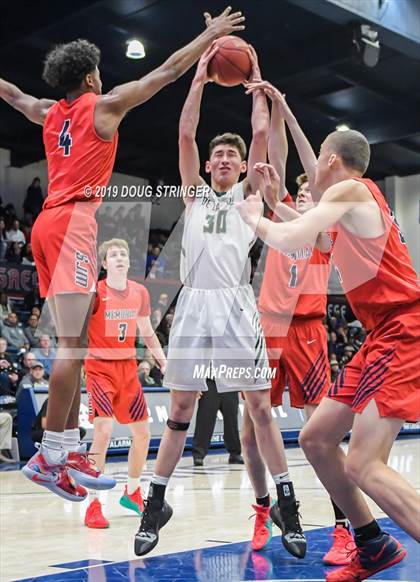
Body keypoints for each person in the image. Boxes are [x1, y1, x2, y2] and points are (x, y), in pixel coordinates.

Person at [0, 6, 244, 501]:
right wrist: (209, 35)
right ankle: (51, 455)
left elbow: (13, 93)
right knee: (73, 348)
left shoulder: (50, 112)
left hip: (48, 225)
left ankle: (65, 450)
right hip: (74, 222)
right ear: (90, 74)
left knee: (76, 341)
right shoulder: (103, 106)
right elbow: (167, 71)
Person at [238, 81, 420, 581]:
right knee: (317, 437)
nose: (313, 165)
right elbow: (303, 222)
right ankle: (373, 544)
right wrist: (285, 115)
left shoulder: (351, 190)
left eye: (319, 157)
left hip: (404, 330)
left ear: (333, 160)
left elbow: (291, 232)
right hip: (382, 334)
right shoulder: (349, 205)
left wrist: (253, 215)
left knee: (364, 464)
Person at [135, 43, 306, 560]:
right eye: (220, 155)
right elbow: (186, 133)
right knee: (181, 408)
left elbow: (259, 133)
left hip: (234, 305)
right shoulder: (194, 193)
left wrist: (254, 76)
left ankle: (286, 502)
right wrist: (199, 82)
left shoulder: (248, 196)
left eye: (234, 155)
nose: (227, 158)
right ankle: (156, 504)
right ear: (209, 165)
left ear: (242, 166)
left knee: (258, 408)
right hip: (192, 306)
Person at [245, 97, 352, 564]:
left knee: (318, 433)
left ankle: (345, 524)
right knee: (251, 431)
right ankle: (263, 509)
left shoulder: (326, 233)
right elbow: (280, 156)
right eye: (299, 194)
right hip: (267, 328)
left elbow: (312, 222)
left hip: (308, 331)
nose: (303, 198)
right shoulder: (283, 207)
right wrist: (274, 105)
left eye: (311, 196)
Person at [84, 238, 166, 528]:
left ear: (129, 262)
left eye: (123, 254)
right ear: (104, 264)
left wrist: (162, 359)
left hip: (127, 369)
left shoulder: (140, 292)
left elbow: (146, 331)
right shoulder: (95, 292)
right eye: (113, 255)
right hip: (99, 368)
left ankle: (132, 491)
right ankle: (94, 503)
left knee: (143, 435)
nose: (119, 258)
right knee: (103, 432)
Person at [192, 379, 243, 466]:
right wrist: (197, 383)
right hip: (210, 381)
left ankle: (235, 454)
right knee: (205, 419)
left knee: (232, 420)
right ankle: (198, 454)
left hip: (230, 382)